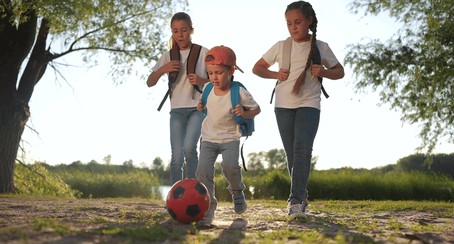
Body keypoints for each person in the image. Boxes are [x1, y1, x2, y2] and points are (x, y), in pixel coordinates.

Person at [252, 1, 344, 218]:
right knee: (292, 155)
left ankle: (294, 202)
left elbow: (339, 72)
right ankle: (301, 195)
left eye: (298, 22)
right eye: (289, 23)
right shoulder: (280, 46)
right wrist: (276, 75)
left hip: (309, 105)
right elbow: (257, 68)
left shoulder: (321, 47)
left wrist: (323, 72)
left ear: (309, 21)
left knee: (303, 151)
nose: (293, 27)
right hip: (283, 106)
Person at [196, 46, 261, 227]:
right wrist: (200, 107)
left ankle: (237, 191)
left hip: (230, 137)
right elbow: (203, 105)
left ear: (231, 71)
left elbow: (257, 109)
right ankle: (208, 208)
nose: (214, 77)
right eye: (210, 73)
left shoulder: (239, 91)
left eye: (219, 73)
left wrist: (244, 112)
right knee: (202, 171)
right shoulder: (208, 88)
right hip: (208, 137)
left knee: (230, 166)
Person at [146, 12, 209, 185]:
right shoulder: (168, 56)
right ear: (172, 33)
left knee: (189, 149)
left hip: (198, 108)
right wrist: (162, 69)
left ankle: (193, 191)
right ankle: (175, 195)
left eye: (184, 30)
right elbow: (149, 82)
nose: (180, 35)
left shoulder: (203, 52)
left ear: (191, 30)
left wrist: (202, 80)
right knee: (176, 156)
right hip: (176, 111)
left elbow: (219, 79)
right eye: (175, 31)